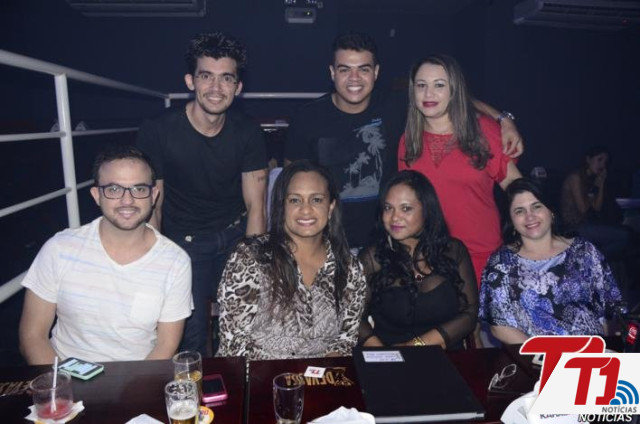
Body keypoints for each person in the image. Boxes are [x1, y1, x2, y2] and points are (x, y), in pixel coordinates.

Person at [285, 32, 524, 250]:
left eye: (364, 69)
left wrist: (503, 119)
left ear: (376, 72)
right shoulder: (307, 118)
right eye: (345, 69)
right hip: (327, 245)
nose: (354, 78)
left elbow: (449, 96)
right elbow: (288, 188)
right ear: (332, 72)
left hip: (384, 245)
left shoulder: (394, 106)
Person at [136, 32, 268, 355]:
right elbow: (153, 204)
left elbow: (256, 206)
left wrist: (252, 266)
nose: (216, 87)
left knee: (243, 328)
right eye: (206, 76)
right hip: (184, 243)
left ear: (238, 87)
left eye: (226, 78)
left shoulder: (248, 132)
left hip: (234, 236)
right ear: (190, 81)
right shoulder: (159, 130)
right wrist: (156, 262)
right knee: (190, 340)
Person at [19, 145, 192, 364]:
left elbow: (166, 345)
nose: (127, 200)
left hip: (138, 376)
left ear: (153, 195)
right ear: (97, 195)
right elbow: (32, 336)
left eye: (139, 189)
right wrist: (62, 383)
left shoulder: (175, 261)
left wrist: (134, 384)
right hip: (63, 373)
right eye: (114, 189)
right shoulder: (59, 249)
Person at [217, 160, 367, 360]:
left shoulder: (349, 268)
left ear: (331, 207)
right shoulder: (251, 257)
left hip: (321, 374)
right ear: (282, 206)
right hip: (257, 374)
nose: (306, 210)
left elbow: (345, 340)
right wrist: (285, 377)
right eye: (295, 200)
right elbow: (234, 343)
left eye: (316, 200)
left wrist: (321, 373)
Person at [398, 54, 522, 283]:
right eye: (421, 85)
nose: (428, 94)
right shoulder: (409, 141)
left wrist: (532, 240)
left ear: (454, 90)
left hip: (482, 257)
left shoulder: (483, 131)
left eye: (439, 85)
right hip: (430, 259)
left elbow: (518, 190)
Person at [479, 178, 622, 344]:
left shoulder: (584, 251)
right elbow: (499, 325)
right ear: (511, 220)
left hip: (591, 351)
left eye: (536, 206)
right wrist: (546, 353)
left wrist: (604, 348)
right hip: (536, 355)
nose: (529, 216)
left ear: (551, 210)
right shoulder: (501, 263)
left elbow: (608, 309)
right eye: (519, 211)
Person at [358, 170, 478, 350]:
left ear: (427, 211)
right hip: (389, 356)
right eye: (388, 208)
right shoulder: (372, 259)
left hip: (446, 355)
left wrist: (414, 346)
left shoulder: (453, 251)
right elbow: (353, 318)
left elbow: (469, 313)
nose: (394, 217)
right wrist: (387, 355)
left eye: (406, 208)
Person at [561, 145, 630, 259]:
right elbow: (583, 209)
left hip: (585, 224)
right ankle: (592, 260)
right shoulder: (575, 177)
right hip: (573, 228)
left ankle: (591, 259)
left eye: (605, 162)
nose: (602, 165)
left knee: (624, 234)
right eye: (599, 160)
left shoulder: (589, 180)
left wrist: (601, 183)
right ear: (588, 160)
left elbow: (597, 208)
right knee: (623, 236)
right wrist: (592, 194)